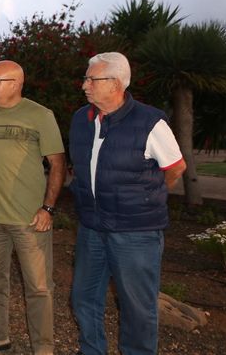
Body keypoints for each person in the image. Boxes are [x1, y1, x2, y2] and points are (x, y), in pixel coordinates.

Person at [69, 52, 186, 355]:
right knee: (84, 297)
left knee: (137, 307)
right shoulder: (81, 120)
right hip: (92, 228)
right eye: (85, 78)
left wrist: (146, 200)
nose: (85, 85)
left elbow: (175, 168)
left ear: (116, 83)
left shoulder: (150, 121)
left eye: (91, 79)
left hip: (136, 234)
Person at [0, 60, 66, 355]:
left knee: (39, 287)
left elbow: (57, 164)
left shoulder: (40, 115)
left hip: (29, 218)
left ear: (16, 84)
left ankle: (43, 348)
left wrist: (48, 208)